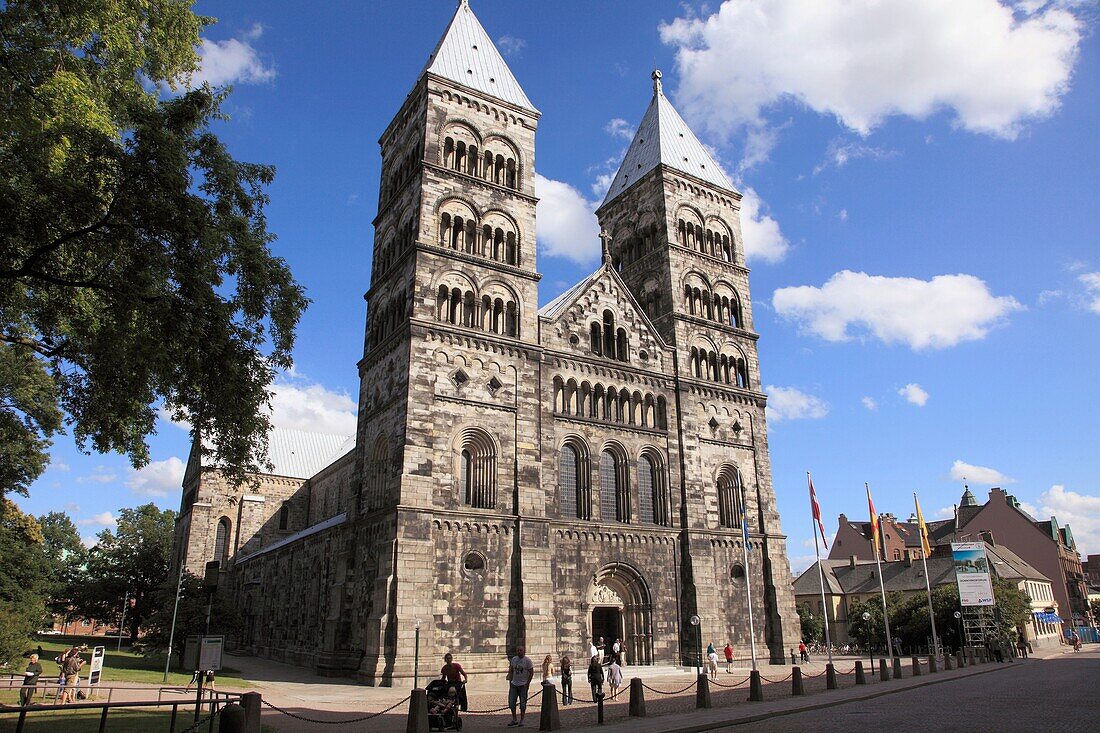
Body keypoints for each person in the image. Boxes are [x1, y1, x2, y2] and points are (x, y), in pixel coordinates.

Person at [506, 646, 534, 728]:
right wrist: (510, 681)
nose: (519, 652)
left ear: (524, 651)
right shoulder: (514, 659)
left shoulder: (527, 661)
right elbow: (511, 670)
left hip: (523, 685)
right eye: (518, 650)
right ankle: (514, 719)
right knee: (511, 703)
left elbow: (531, 672)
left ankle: (522, 720)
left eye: (521, 650)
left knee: (522, 704)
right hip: (514, 684)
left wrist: (527, 683)